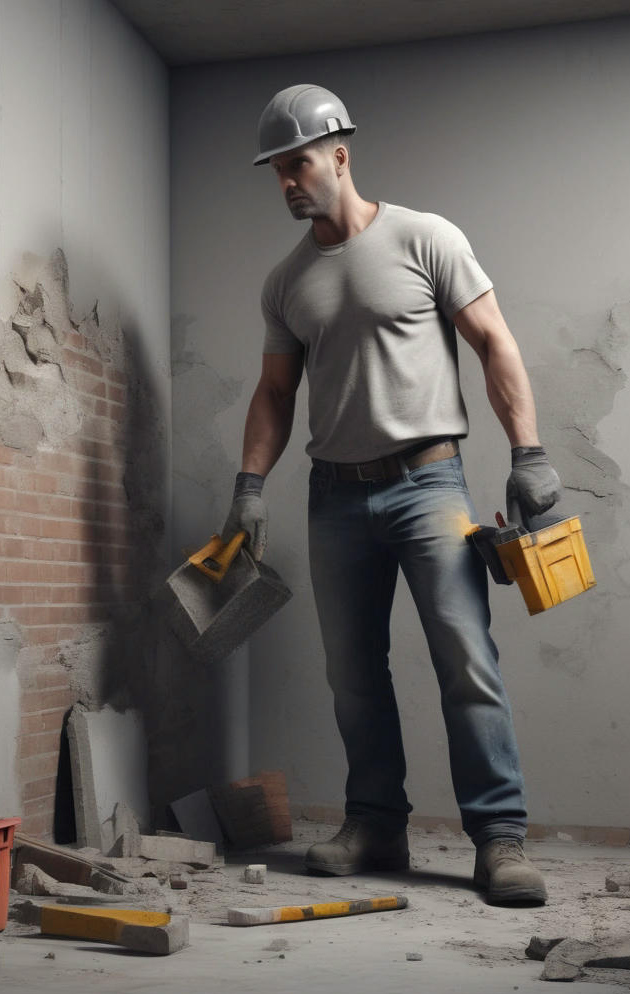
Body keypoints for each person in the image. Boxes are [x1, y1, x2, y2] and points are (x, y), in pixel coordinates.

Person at [222, 84, 562, 905]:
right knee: (353, 675)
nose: (287, 183)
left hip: (429, 485)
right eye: (275, 171)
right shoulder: (286, 282)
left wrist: (530, 453)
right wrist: (249, 487)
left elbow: (494, 342)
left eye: (297, 162)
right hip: (336, 497)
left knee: (465, 659)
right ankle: (375, 823)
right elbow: (274, 395)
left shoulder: (425, 237)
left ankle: (499, 839)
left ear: (339, 154)